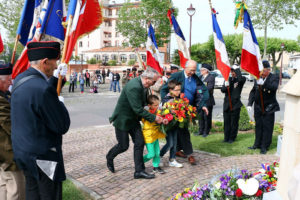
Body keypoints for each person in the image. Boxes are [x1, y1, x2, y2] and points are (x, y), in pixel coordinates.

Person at [10, 41, 70, 199]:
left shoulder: (20, 79)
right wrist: (59, 103)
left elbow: (35, 98)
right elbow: (61, 125)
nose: (56, 66)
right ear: (45, 62)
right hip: (44, 157)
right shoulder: (43, 89)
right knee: (50, 195)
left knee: (32, 192)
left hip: (24, 152)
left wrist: (58, 80)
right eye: (54, 62)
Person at [106, 67, 166, 179]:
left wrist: (156, 112)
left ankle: (139, 171)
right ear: (147, 79)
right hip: (123, 120)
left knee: (139, 142)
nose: (153, 84)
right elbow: (138, 109)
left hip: (133, 120)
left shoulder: (144, 86)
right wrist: (154, 118)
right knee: (123, 146)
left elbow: (143, 104)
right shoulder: (134, 86)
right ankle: (109, 157)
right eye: (153, 81)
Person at [161, 60, 209, 165]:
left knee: (182, 131)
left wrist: (203, 104)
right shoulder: (177, 76)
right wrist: (167, 103)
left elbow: (203, 90)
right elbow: (164, 89)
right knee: (180, 132)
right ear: (185, 68)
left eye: (194, 70)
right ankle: (187, 154)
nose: (193, 72)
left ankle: (182, 152)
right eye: (191, 70)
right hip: (175, 109)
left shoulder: (195, 78)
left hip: (187, 109)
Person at [0, 63, 25, 200]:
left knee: (4, 186)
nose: (11, 82)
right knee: (17, 190)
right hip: (8, 153)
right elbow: (10, 125)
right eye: (8, 79)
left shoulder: (4, 95)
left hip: (3, 153)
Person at [247, 60, 280, 154]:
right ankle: (256, 144)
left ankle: (264, 146)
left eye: (263, 70)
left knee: (267, 127)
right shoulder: (257, 78)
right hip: (258, 106)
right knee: (258, 126)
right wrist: (250, 103)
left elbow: (274, 87)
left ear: (268, 70)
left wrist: (264, 83)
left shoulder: (274, 77)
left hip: (268, 106)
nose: (261, 72)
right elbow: (253, 91)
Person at [160, 80, 183, 168]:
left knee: (175, 142)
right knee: (170, 143)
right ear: (170, 90)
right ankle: (159, 156)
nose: (179, 92)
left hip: (175, 124)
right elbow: (162, 111)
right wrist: (170, 110)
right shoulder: (166, 99)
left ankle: (172, 159)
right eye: (176, 90)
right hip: (168, 125)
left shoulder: (178, 98)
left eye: (179, 89)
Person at [221, 65, 246, 143]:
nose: (232, 73)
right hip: (227, 104)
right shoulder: (228, 79)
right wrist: (226, 85)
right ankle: (226, 137)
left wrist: (237, 69)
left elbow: (240, 79)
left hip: (235, 104)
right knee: (226, 122)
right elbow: (223, 90)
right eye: (231, 71)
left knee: (234, 123)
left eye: (234, 71)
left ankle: (232, 138)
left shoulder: (241, 79)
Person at [142, 95, 166, 174]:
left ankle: (155, 166)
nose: (157, 107)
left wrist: (163, 120)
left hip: (155, 135)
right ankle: (140, 161)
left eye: (157, 105)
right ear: (149, 105)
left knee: (157, 153)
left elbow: (160, 119)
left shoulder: (158, 112)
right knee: (151, 154)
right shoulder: (146, 113)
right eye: (155, 105)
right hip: (148, 136)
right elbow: (143, 119)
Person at [198, 64, 215, 137]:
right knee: (200, 116)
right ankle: (200, 130)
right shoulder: (200, 77)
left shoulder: (211, 77)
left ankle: (206, 131)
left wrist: (199, 91)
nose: (201, 71)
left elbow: (209, 88)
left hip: (208, 100)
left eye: (202, 70)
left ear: (206, 71)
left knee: (206, 116)